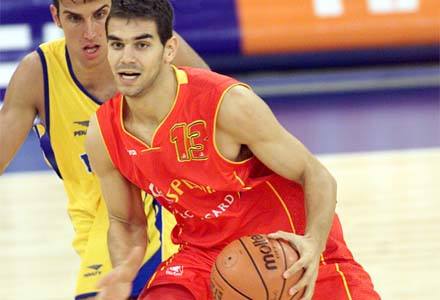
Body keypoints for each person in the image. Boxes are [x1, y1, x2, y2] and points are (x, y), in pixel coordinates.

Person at [86, 0, 381, 299]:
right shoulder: (103, 133)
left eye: (141, 45)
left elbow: (316, 174)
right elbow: (126, 221)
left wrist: (312, 242)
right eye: (117, 45)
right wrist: (124, 267)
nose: (127, 59)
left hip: (287, 248)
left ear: (169, 50)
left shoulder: (227, 104)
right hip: (203, 255)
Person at [0, 0, 209, 299]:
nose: (91, 32)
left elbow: (226, 112)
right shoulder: (38, 74)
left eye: (101, 15)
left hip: (167, 210)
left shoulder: (153, 46)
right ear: (56, 17)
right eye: (75, 18)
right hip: (100, 230)